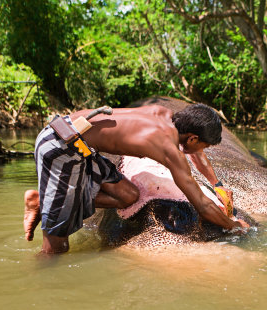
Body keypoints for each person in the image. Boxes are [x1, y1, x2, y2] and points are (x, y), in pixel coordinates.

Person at [23, 103, 250, 254]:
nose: (203, 150)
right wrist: (233, 225)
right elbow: (200, 204)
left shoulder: (162, 113)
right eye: (204, 145)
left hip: (78, 144)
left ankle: (43, 202)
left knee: (128, 196)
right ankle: (40, 285)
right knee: (56, 249)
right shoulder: (168, 148)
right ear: (192, 138)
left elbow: (197, 155)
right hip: (60, 146)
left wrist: (216, 185)